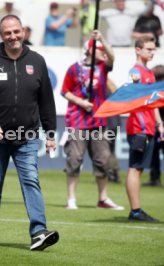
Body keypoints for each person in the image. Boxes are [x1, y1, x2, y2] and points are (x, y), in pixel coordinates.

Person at [0, 14, 59, 251]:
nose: (13, 36)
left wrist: (51, 134)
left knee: (31, 180)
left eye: (16, 31)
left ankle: (39, 232)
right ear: (1, 36)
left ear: (23, 31)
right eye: (7, 33)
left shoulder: (38, 61)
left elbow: (47, 101)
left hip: (28, 137)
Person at [61, 30, 124, 211]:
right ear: (90, 51)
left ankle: (103, 198)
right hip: (77, 120)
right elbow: (65, 91)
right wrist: (80, 102)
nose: (104, 53)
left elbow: (113, 57)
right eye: (99, 50)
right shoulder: (74, 68)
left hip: (99, 122)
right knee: (74, 159)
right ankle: (71, 199)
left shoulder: (103, 67)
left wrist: (101, 38)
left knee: (103, 160)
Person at [126, 36, 164, 222]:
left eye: (153, 49)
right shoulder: (137, 71)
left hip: (149, 126)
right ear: (138, 50)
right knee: (135, 168)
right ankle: (135, 211)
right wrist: (133, 80)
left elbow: (153, 101)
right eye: (148, 49)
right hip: (138, 127)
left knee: (139, 169)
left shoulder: (149, 73)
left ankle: (136, 210)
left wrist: (159, 124)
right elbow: (133, 80)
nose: (152, 52)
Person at [143, 64, 164, 186]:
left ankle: (154, 178)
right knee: (154, 152)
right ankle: (154, 178)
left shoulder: (157, 91)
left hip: (159, 127)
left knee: (155, 153)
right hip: (157, 126)